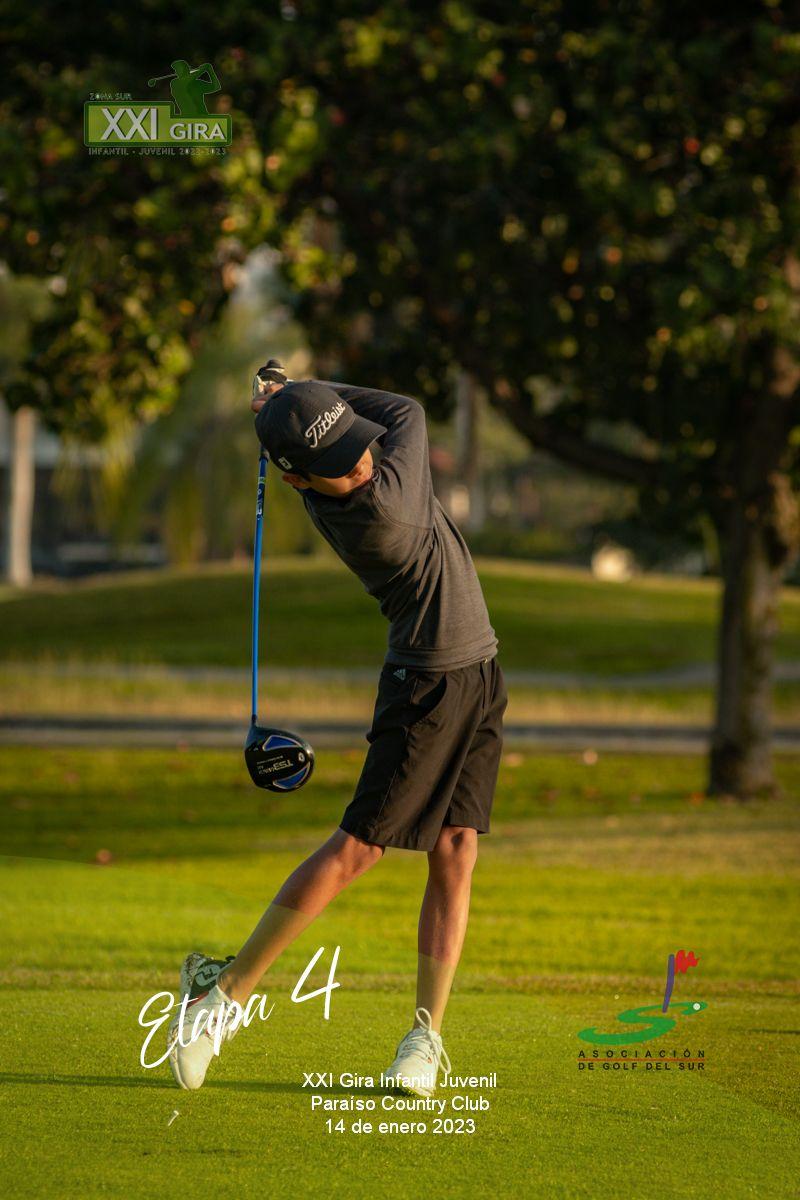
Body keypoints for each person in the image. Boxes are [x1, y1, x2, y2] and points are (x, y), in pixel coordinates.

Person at [167, 362, 508, 1095]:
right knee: (360, 848)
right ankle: (220, 998)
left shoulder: (325, 482)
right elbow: (408, 407)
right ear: (298, 479)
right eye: (338, 461)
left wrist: (296, 399)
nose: (358, 462)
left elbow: (356, 432)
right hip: (427, 689)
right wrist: (311, 389)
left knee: (456, 849)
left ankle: (423, 1040)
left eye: (353, 444)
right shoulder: (387, 511)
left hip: (478, 669)